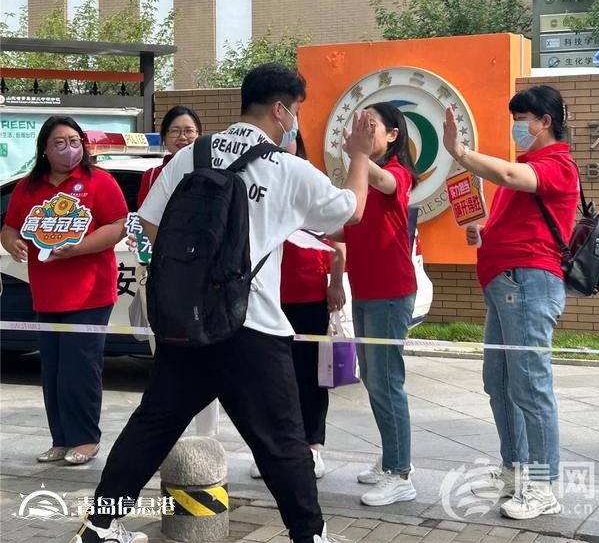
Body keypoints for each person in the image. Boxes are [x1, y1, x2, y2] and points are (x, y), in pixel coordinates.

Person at [70, 62, 374, 543]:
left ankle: (99, 526)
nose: (294, 118)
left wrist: (198, 274)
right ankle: (309, 536)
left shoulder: (191, 154)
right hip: (252, 326)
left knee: (151, 426)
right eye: (294, 109)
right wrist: (358, 155)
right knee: (282, 442)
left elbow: (150, 226)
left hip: (187, 323)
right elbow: (351, 211)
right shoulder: (288, 169)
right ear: (280, 109)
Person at [442, 85, 579, 520]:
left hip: (529, 283)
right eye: (515, 117)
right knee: (498, 382)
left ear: (546, 122)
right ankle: (515, 468)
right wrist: (482, 232)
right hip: (506, 284)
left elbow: (508, 177)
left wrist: (462, 153)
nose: (517, 126)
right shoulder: (525, 165)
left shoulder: (557, 165)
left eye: (523, 118)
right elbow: (510, 200)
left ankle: (542, 484)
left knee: (530, 385)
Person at [1, 116, 128, 466]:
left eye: (74, 140)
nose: (68, 148)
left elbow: (118, 226)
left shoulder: (99, 182)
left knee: (80, 368)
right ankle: (61, 438)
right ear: (44, 148)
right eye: (59, 142)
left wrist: (79, 247)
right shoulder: (29, 187)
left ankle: (86, 439)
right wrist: (13, 245)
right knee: (53, 369)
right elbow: (10, 227)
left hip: (90, 293)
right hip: (46, 294)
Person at [331, 102, 418, 507]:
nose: (362, 131)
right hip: (367, 290)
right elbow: (352, 225)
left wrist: (359, 154)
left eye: (371, 125)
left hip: (390, 292)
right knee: (374, 378)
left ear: (393, 134)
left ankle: (401, 474)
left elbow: (381, 181)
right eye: (358, 124)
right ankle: (391, 459)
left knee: (386, 381)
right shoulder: (363, 172)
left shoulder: (396, 174)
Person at [249, 132, 347, 480]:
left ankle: (312, 447)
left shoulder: (309, 180)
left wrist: (335, 283)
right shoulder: (258, 179)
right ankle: (276, 448)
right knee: (272, 377)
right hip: (267, 297)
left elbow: (338, 241)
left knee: (310, 375)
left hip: (308, 294)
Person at [132, 105, 217, 438]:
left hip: (202, 280)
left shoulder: (214, 171)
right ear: (164, 137)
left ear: (200, 135)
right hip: (163, 275)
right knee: (166, 360)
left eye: (190, 131)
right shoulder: (152, 176)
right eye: (175, 132)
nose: (183, 138)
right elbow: (145, 221)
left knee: (204, 359)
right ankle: (169, 435)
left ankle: (206, 438)